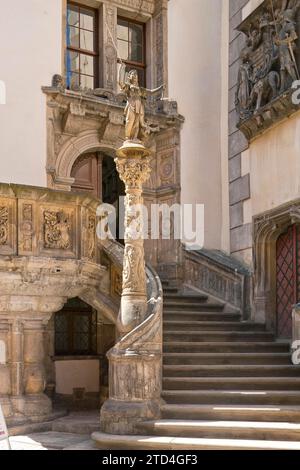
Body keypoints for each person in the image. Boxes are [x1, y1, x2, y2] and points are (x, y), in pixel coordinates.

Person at [119, 66, 164, 142]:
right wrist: (121, 69)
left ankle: (135, 137)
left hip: (139, 106)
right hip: (131, 105)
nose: (135, 76)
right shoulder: (128, 87)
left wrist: (160, 88)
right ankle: (128, 137)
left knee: (137, 123)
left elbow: (151, 92)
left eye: (136, 75)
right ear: (129, 77)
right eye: (133, 74)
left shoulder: (140, 89)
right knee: (130, 121)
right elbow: (120, 82)